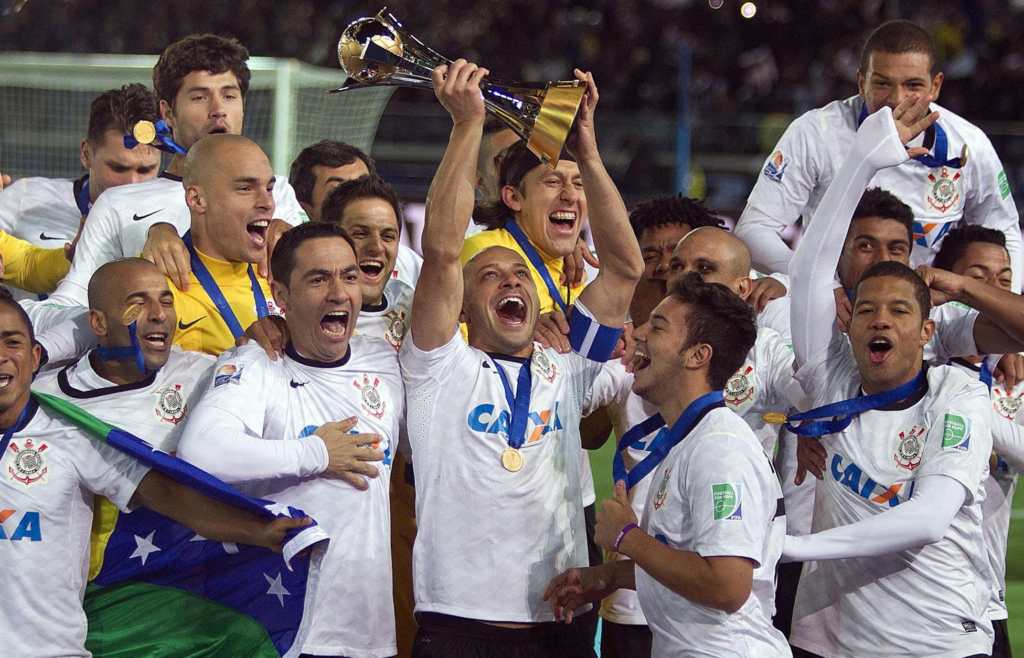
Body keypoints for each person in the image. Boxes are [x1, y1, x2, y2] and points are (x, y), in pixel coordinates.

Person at [400, 60, 640, 656]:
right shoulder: (436, 367)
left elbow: (626, 270)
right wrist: (466, 125)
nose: (512, 280)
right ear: (459, 304)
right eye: (490, 275)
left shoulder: (567, 362)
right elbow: (441, 252)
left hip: (560, 612)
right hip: (460, 620)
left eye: (520, 274)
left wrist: (588, 153)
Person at [784, 95, 995, 658]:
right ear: (848, 323)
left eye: (900, 311)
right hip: (825, 643)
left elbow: (926, 521)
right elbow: (807, 271)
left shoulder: (958, 396)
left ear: (928, 331)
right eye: (869, 308)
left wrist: (791, 545)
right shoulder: (831, 372)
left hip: (933, 643)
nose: (882, 319)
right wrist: (861, 160)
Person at [0, 288, 309, 658]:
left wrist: (258, 529)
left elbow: (166, 494)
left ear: (35, 357)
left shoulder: (72, 433)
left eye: (11, 342)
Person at [178, 221, 402, 658]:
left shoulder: (385, 360)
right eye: (319, 278)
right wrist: (317, 453)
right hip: (279, 632)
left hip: (370, 635)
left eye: (349, 276)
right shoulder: (257, 361)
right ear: (280, 295)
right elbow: (201, 449)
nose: (339, 292)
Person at [547, 273, 790, 657]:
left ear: (698, 355)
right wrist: (612, 574)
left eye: (657, 327)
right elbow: (692, 563)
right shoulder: (690, 439)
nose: (638, 333)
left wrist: (627, 537)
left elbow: (727, 586)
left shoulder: (720, 449)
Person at [735, 20, 1021, 288]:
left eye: (913, 85)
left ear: (935, 85)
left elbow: (1005, 231)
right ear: (861, 82)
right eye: (883, 83)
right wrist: (818, 288)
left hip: (930, 314)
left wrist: (1004, 303)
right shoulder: (817, 132)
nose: (897, 99)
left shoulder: (969, 144)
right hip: (834, 312)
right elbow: (753, 229)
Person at [46, 34, 305, 307]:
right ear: (168, 114)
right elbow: (74, 304)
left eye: (229, 95)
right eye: (199, 97)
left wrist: (298, 243)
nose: (218, 110)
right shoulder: (118, 205)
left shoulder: (280, 195)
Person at [932, 225, 1021, 658]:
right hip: (909, 597)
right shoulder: (913, 362)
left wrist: (970, 395)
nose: (993, 291)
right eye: (977, 278)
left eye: (1004, 281)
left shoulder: (1013, 379)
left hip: (986, 596)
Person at [0, 84, 161, 301]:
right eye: (118, 168)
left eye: (145, 170)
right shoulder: (24, 199)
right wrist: (71, 259)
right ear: (86, 154)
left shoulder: (177, 215)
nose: (131, 184)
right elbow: (24, 264)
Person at [170, 134, 282, 356]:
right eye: (245, 189)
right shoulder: (157, 289)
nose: (267, 203)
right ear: (197, 200)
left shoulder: (287, 275)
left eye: (268, 189)